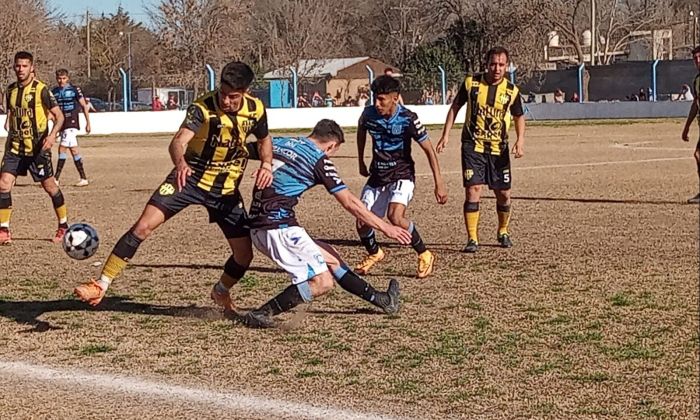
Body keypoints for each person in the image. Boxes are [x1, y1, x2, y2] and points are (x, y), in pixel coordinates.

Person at [74, 61, 273, 307]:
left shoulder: (255, 109)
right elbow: (178, 142)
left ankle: (221, 290)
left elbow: (264, 140)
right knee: (143, 226)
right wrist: (180, 164)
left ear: (245, 92)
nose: (226, 101)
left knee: (244, 255)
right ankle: (101, 285)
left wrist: (266, 164)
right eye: (223, 94)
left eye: (233, 97)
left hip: (226, 189)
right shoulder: (202, 108)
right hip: (188, 178)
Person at [242, 120, 413, 328]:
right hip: (276, 228)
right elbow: (349, 202)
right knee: (322, 282)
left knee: (332, 258)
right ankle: (261, 313)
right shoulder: (320, 160)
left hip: (267, 224)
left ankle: (382, 300)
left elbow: (243, 150)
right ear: (331, 146)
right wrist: (386, 228)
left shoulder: (281, 142)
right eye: (333, 151)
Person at [355, 75, 447, 278]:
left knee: (395, 216)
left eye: (382, 99)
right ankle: (375, 253)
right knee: (362, 221)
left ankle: (424, 254)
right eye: (375, 99)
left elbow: (429, 150)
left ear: (395, 98)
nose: (377, 104)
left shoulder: (408, 118)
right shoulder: (369, 115)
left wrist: (439, 182)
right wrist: (361, 160)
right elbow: (361, 131)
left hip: (402, 174)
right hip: (378, 175)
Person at [436, 46, 525, 253]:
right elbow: (455, 107)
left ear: (507, 66)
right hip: (472, 147)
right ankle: (472, 238)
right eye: (493, 64)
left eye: (501, 64)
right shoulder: (471, 83)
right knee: (473, 190)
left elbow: (519, 116)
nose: (497, 68)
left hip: (498, 149)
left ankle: (503, 231)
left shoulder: (512, 91)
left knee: (503, 193)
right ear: (486, 64)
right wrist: (446, 134)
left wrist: (520, 140)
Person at [0, 51, 67, 245]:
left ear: (32, 68)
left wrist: (52, 135)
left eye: (24, 66)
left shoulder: (42, 90)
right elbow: (13, 112)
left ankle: (63, 225)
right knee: (3, 184)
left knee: (50, 187)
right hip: (14, 147)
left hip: (37, 148)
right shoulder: (11, 90)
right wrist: (10, 122)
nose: (20, 69)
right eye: (17, 66)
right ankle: (4, 230)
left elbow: (59, 116)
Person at [52, 69, 91, 187]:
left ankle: (56, 178)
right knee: (74, 150)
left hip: (72, 122)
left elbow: (84, 106)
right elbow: (53, 111)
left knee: (62, 148)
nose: (61, 81)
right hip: (62, 123)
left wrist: (88, 122)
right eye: (59, 78)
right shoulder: (54, 92)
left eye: (63, 78)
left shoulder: (74, 90)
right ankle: (83, 177)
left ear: (67, 78)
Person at [681, 46, 700, 204]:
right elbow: (696, 103)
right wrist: (687, 126)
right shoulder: (697, 80)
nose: (698, 61)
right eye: (695, 59)